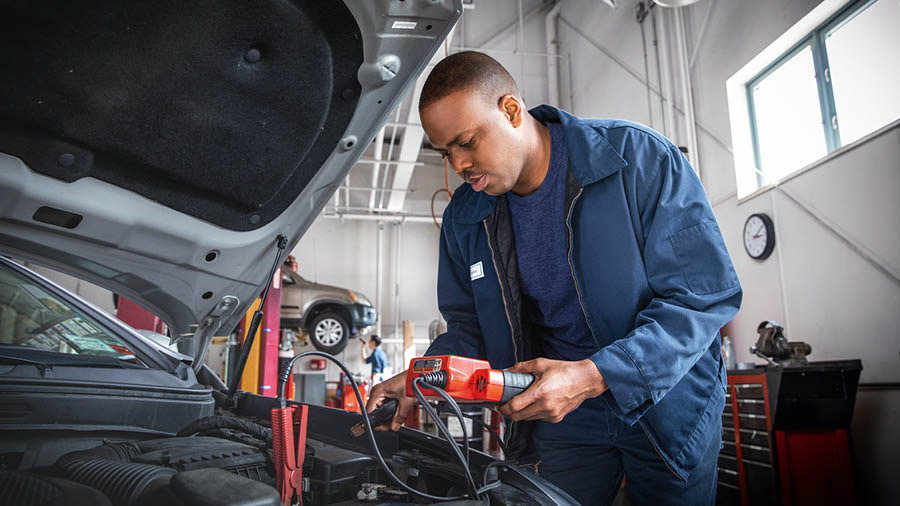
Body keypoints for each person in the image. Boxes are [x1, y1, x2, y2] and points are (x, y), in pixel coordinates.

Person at [366, 51, 742, 506]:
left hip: (664, 399)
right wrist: (424, 376)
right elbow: (470, 329)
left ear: (510, 110)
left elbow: (701, 300)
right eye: (447, 152)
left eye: (467, 142)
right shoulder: (466, 219)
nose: (459, 165)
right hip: (559, 415)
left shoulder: (637, 160)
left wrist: (595, 374)